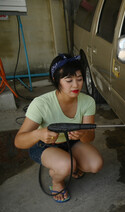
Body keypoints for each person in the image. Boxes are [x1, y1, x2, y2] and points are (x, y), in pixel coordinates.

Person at [14, 54, 103, 203]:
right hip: (45, 146)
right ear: (56, 80)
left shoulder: (88, 101)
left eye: (79, 79)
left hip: (70, 143)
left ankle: (70, 164)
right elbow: (19, 141)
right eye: (69, 80)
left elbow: (90, 138)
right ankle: (57, 181)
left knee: (95, 164)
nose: (75, 85)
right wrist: (38, 134)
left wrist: (83, 134)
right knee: (67, 165)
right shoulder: (40, 103)